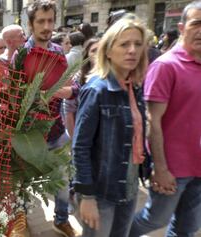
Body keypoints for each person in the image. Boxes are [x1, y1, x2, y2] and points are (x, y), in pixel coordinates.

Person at [129, 1, 201, 236]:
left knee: (187, 228)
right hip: (172, 168)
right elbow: (152, 120)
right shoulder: (165, 65)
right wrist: (160, 167)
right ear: (181, 27)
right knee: (153, 220)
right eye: (196, 24)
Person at [72, 16, 147, 236]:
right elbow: (80, 147)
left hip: (128, 187)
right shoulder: (97, 90)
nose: (132, 50)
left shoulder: (134, 87)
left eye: (137, 44)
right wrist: (86, 196)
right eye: (124, 44)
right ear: (108, 50)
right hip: (101, 191)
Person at [25, 1, 75, 236]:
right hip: (28, 137)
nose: (47, 26)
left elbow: (70, 86)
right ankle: (19, 222)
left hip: (56, 132)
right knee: (22, 186)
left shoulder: (58, 52)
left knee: (63, 183)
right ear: (31, 24)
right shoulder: (21, 55)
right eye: (41, 21)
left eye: (50, 21)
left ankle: (61, 219)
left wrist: (68, 91)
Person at [64, 37, 100, 138]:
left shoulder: (112, 76)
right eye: (93, 51)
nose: (98, 54)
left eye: (101, 50)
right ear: (87, 54)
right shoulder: (79, 77)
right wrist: (73, 139)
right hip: (83, 134)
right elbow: (68, 110)